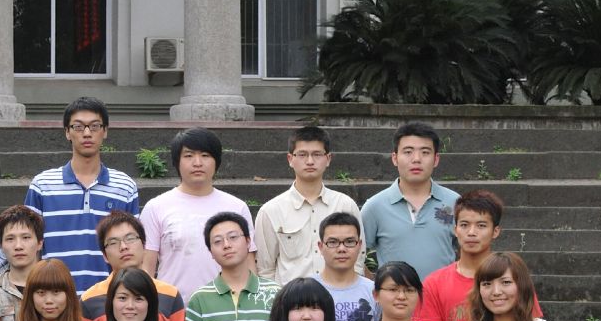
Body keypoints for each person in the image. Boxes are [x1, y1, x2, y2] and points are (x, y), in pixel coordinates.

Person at [24, 97, 140, 294]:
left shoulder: (124, 187)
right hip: (55, 299)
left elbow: (134, 248)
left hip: (109, 299)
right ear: (67, 132)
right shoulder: (42, 185)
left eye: (94, 126)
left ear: (105, 131)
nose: (87, 133)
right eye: (78, 127)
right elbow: (29, 246)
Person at [140, 129, 253, 300]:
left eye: (205, 155)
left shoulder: (237, 207)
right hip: (173, 307)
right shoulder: (156, 207)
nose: (197, 163)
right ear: (177, 162)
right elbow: (146, 268)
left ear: (216, 161)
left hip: (228, 307)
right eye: (189, 156)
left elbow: (249, 264)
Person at [417, 190, 539, 321]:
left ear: (495, 231)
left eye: (481, 225)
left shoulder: (513, 277)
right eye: (464, 225)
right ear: (455, 230)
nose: (471, 232)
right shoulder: (434, 283)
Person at [254, 126, 359, 286]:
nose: (310, 161)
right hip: (290, 299)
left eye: (317, 154)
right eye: (302, 154)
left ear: (328, 159)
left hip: (338, 297)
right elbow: (265, 270)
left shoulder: (345, 205)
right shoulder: (271, 210)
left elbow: (357, 262)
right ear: (290, 159)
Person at [361, 122, 460, 282]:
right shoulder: (375, 206)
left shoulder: (455, 202)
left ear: (436, 159)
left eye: (425, 152)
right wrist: (373, 285)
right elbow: (355, 252)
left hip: (442, 296)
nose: (416, 159)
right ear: (395, 158)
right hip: (394, 296)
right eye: (408, 152)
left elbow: (469, 249)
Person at [80, 211, 186, 321]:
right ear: (105, 255)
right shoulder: (89, 300)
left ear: (144, 244)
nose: (123, 247)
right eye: (113, 242)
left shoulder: (170, 295)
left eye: (130, 238)